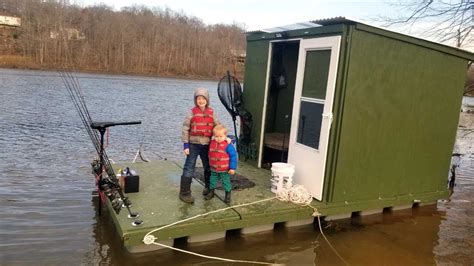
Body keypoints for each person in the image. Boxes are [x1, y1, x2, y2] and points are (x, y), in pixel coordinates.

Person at [180, 88, 220, 203]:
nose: (201, 101)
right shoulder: (191, 112)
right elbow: (185, 129)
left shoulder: (212, 113)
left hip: (207, 145)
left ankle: (209, 187)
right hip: (193, 144)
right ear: (195, 100)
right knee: (189, 167)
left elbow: (218, 127)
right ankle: (184, 193)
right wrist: (186, 145)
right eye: (198, 99)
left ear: (207, 100)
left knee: (208, 167)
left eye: (203, 99)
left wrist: (224, 138)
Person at [205, 125, 238, 204]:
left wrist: (232, 168)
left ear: (225, 136)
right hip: (214, 168)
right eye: (216, 136)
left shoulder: (228, 145)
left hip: (224, 169)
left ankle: (228, 194)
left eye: (221, 136)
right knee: (212, 181)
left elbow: (233, 156)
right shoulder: (212, 142)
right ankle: (211, 192)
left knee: (226, 182)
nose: (218, 138)